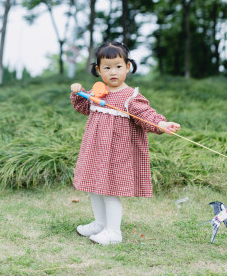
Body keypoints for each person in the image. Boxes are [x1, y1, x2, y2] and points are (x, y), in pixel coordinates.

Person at [70, 41, 181, 245]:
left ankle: (113, 232)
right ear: (98, 70)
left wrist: (162, 123)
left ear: (128, 67)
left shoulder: (130, 96)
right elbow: (83, 107)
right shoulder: (97, 92)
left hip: (117, 153)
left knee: (110, 191)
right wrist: (77, 91)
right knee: (94, 187)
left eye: (118, 66)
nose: (113, 72)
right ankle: (100, 223)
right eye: (107, 67)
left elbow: (146, 115)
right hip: (96, 150)